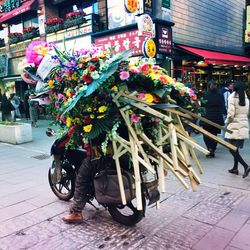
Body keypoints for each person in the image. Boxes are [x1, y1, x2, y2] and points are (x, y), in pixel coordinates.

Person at [225, 81, 250, 178]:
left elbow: (230, 114)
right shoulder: (246, 99)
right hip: (243, 125)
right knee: (236, 148)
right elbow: (247, 114)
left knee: (231, 148)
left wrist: (227, 122)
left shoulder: (232, 97)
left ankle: (246, 166)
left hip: (234, 125)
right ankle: (235, 168)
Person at [200, 81, 225, 158]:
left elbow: (202, 105)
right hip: (217, 117)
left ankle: (209, 148)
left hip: (207, 117)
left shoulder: (205, 95)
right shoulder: (220, 95)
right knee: (214, 134)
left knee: (206, 134)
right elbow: (223, 106)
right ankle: (213, 149)